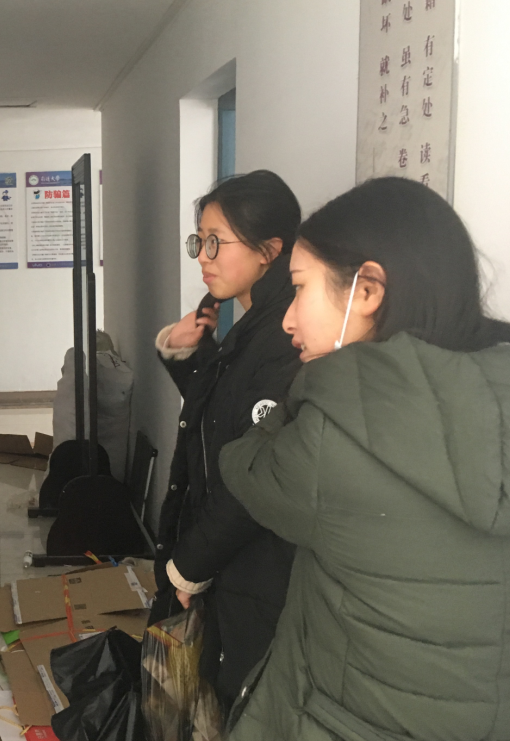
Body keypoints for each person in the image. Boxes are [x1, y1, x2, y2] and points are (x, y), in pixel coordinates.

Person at [220, 177, 510, 740]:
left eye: (299, 289)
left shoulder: (332, 434)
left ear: (369, 289)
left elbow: (244, 465)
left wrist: (305, 391)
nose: (288, 319)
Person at [151, 170, 302, 713]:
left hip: (256, 569)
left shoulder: (285, 336)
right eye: (200, 241)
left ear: (269, 251)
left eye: (216, 242)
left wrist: (189, 564)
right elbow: (222, 418)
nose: (203, 257)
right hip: (229, 563)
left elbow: (253, 474)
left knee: (238, 701)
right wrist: (187, 353)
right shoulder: (253, 321)